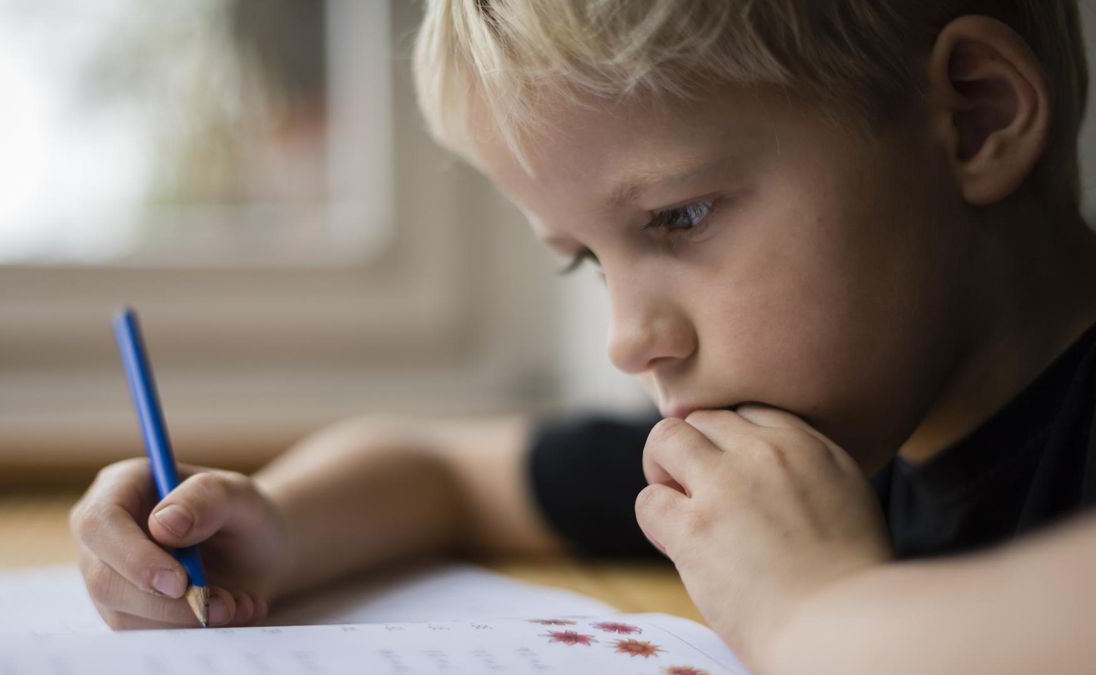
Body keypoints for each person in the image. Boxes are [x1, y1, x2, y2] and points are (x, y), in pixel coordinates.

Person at [70, 1, 1096, 672]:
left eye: (679, 219)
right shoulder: (826, 433)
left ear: (972, 115)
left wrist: (811, 612)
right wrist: (270, 523)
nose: (626, 339)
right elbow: (438, 466)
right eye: (586, 261)